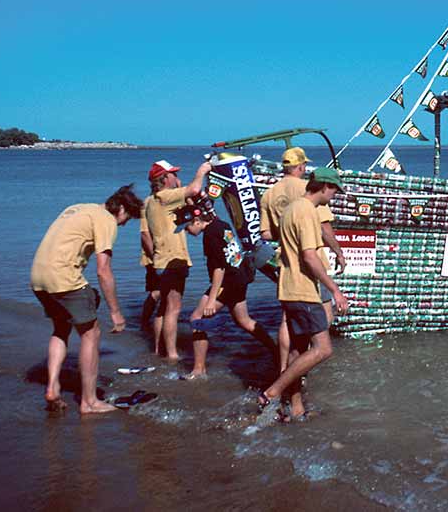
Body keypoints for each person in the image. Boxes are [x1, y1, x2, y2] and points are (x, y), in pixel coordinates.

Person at [30, 184, 143, 414]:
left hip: (38, 277)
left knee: (61, 327)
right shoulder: (106, 220)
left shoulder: (79, 207)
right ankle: (90, 402)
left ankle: (53, 387)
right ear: (120, 208)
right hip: (63, 276)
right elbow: (103, 270)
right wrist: (116, 312)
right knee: (91, 333)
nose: (123, 224)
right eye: (127, 218)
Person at [258, 167, 349, 423]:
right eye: (333, 190)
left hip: (287, 286)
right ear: (324, 187)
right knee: (323, 349)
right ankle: (272, 392)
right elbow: (310, 256)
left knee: (299, 351)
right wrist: (335, 290)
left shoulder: (291, 209)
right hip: (303, 290)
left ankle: (296, 408)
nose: (333, 196)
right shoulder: (308, 211)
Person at [181, 211, 279, 380]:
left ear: (196, 221)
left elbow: (219, 268)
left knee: (197, 319)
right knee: (244, 321)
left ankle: (198, 370)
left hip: (229, 281)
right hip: (240, 276)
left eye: (186, 227)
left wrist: (212, 300)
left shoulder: (210, 235)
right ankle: (277, 352)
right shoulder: (221, 224)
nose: (186, 232)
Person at [144, 158, 212, 360]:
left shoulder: (155, 200)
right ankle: (172, 355)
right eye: (173, 174)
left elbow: (191, 229)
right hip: (171, 260)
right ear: (164, 178)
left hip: (163, 260)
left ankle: (160, 350)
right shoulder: (164, 197)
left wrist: (192, 204)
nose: (177, 177)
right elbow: (193, 188)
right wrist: (202, 170)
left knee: (165, 307)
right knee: (174, 309)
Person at [138, 201, 162, 354]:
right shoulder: (148, 204)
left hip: (160, 256)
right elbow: (145, 234)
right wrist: (155, 256)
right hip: (155, 258)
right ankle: (146, 322)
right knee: (157, 292)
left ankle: (145, 322)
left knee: (156, 292)